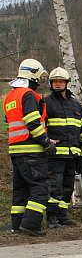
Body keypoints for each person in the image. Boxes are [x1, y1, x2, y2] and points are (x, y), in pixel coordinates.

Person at [3, 59, 56, 237]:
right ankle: (31, 224)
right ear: (33, 74)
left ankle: (17, 224)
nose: (40, 81)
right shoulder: (29, 95)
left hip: (16, 150)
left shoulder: (10, 96)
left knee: (21, 190)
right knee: (40, 187)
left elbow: (12, 123)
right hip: (32, 151)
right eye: (39, 76)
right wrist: (46, 143)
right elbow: (32, 122)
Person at [43, 67, 82, 228]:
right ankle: (52, 217)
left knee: (67, 187)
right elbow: (40, 126)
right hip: (55, 155)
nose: (58, 84)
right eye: (55, 82)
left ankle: (62, 216)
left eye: (61, 81)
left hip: (72, 154)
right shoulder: (46, 103)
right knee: (55, 187)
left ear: (67, 83)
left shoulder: (75, 104)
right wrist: (46, 142)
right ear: (51, 84)